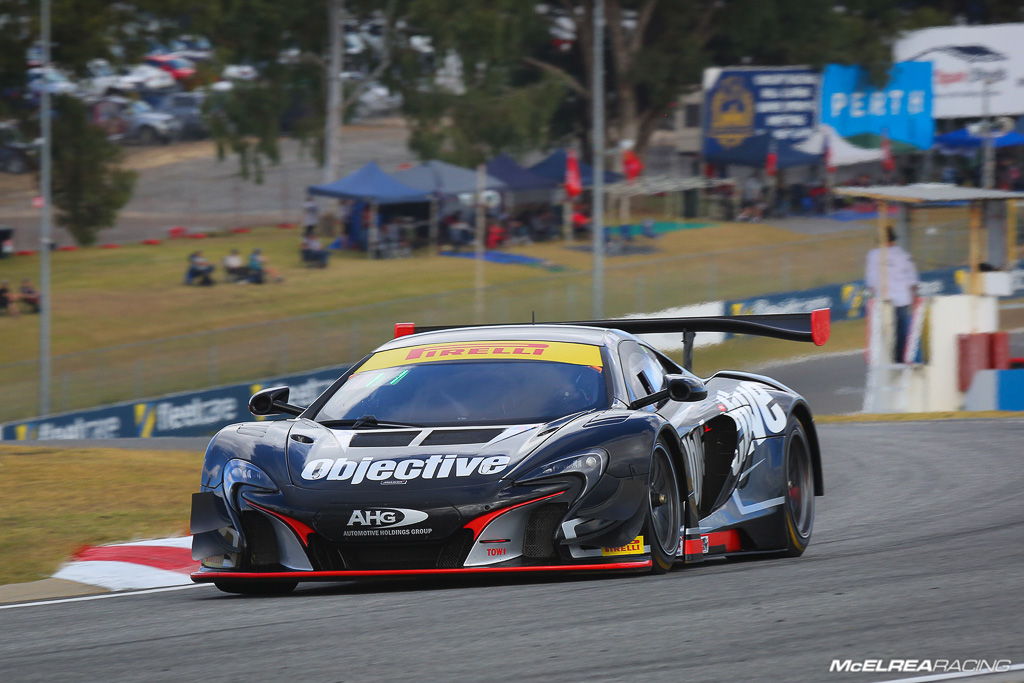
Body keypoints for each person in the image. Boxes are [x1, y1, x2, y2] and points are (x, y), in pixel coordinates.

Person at [865, 227, 919, 363]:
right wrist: (914, 299)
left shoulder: (873, 256)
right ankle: (900, 359)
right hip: (902, 299)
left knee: (883, 332)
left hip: (883, 300)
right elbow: (912, 281)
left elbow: (870, 282)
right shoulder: (903, 255)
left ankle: (885, 359)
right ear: (894, 239)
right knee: (902, 332)